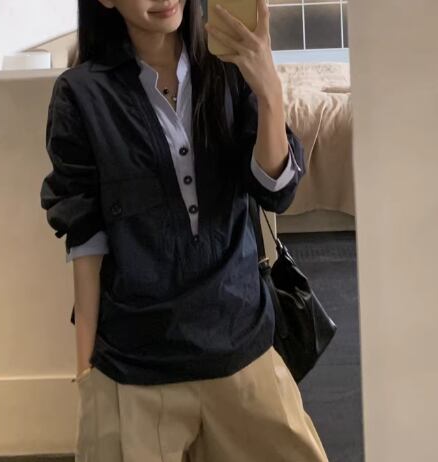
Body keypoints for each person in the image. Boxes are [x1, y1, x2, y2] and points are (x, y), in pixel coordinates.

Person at [40, 0, 329, 460]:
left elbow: (276, 191)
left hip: (240, 348)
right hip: (136, 367)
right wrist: (86, 376)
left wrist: (269, 91)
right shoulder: (80, 94)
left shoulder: (228, 72)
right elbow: (85, 240)